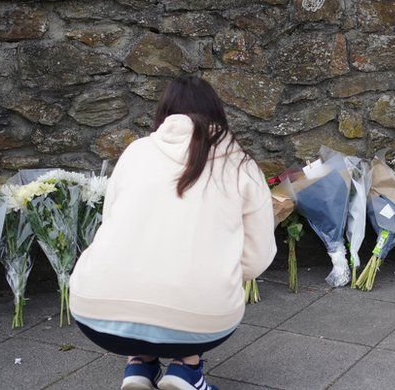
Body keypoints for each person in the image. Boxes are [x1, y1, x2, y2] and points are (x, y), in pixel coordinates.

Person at [69, 76, 277, 390]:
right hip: (199, 320)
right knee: (193, 284)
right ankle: (186, 370)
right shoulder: (239, 164)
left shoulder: (136, 152)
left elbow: (110, 223)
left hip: (93, 311)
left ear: (164, 114)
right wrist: (224, 272)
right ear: (216, 113)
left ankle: (139, 365)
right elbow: (259, 256)